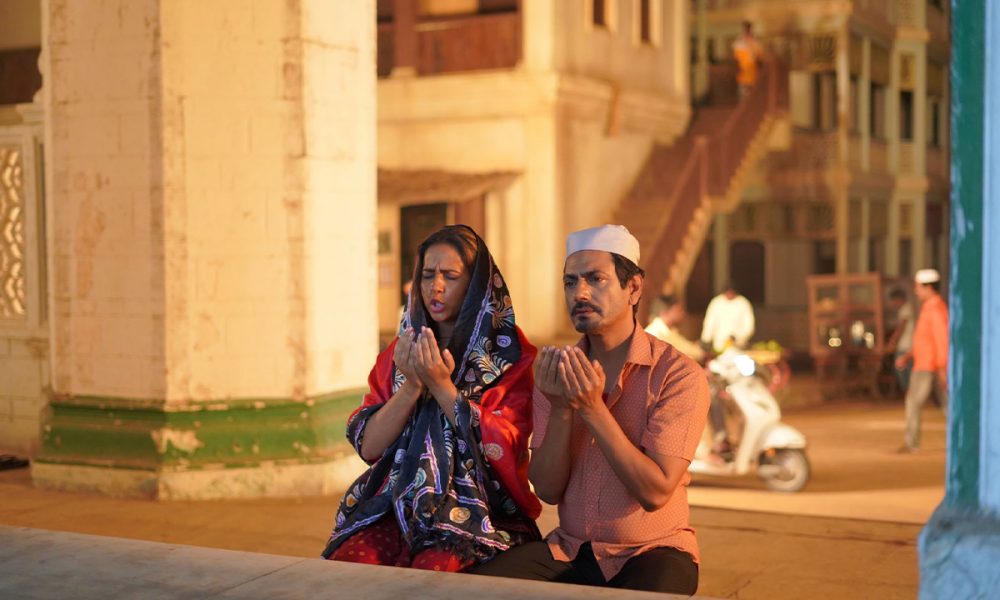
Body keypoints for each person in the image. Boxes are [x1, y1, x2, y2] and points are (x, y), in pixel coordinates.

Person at [473, 225, 709, 595]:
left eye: (595, 279)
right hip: (571, 550)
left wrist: (592, 408)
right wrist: (562, 409)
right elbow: (548, 489)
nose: (579, 293)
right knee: (472, 590)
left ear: (633, 288)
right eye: (570, 283)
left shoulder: (677, 375)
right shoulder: (556, 373)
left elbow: (656, 492)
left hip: (654, 552)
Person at [322, 225, 541, 570]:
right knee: (350, 565)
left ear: (476, 285)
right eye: (427, 275)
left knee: (432, 575)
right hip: (394, 505)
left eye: (450, 276)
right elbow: (369, 447)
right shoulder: (402, 351)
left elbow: (506, 446)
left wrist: (442, 388)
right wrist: (411, 387)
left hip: (477, 515)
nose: (435, 287)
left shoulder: (508, 357)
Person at [895, 269, 949, 453]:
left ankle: (912, 443)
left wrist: (942, 367)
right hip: (927, 363)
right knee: (947, 405)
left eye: (918, 287)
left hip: (929, 365)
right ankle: (960, 441)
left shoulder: (935, 309)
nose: (916, 291)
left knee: (913, 402)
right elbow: (924, 339)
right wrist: (908, 355)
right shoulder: (929, 308)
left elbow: (941, 339)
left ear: (929, 288)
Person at [645, 294, 705, 362]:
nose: (682, 314)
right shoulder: (654, 335)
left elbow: (687, 349)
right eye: (678, 310)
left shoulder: (671, 331)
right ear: (665, 313)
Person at [700, 282, 755, 353]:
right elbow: (709, 323)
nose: (729, 294)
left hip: (738, 347)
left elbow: (749, 327)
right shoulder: (716, 303)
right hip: (719, 347)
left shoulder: (743, 303)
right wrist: (705, 339)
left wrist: (736, 336)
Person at [886, 287, 915, 393]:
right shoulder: (907, 308)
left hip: (906, 346)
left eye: (893, 301)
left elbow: (901, 328)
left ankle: (909, 392)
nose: (893, 304)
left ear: (898, 299)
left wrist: (892, 341)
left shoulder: (906, 309)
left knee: (903, 370)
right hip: (907, 346)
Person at [732, 20, 763, 98]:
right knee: (744, 98)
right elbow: (735, 60)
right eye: (746, 29)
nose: (748, 31)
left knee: (753, 98)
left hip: (754, 76)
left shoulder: (755, 43)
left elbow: (760, 59)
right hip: (743, 77)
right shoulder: (739, 43)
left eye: (749, 28)